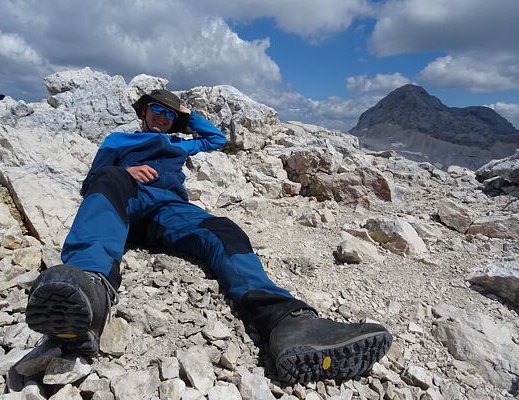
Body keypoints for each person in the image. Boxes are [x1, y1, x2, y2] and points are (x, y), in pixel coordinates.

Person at [25, 89, 392, 384]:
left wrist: (187, 115)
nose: (162, 117)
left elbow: (215, 138)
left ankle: (287, 321)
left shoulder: (178, 143)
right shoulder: (118, 140)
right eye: (156, 109)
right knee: (108, 181)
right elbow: (91, 181)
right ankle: (90, 289)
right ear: (143, 111)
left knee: (223, 229)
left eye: (169, 115)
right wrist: (129, 171)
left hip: (168, 210)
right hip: (124, 197)